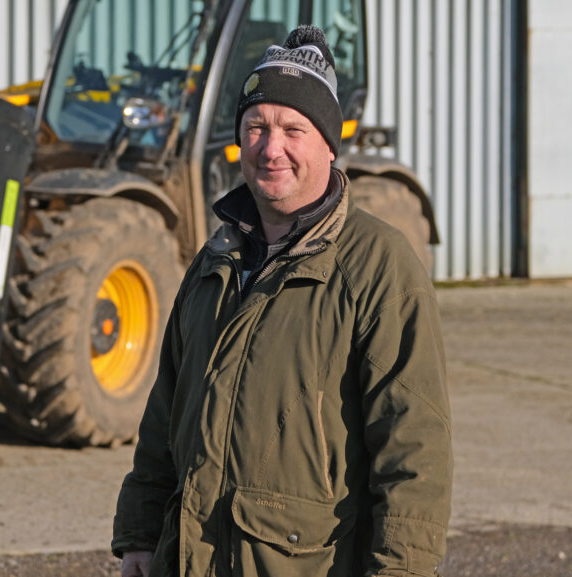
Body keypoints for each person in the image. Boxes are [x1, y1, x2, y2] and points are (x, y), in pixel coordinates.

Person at [112, 25, 452, 577]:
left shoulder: (378, 266)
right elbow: (164, 416)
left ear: (327, 141)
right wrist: (140, 534)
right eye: (256, 127)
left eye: (293, 128)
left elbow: (413, 447)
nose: (272, 148)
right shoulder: (214, 261)